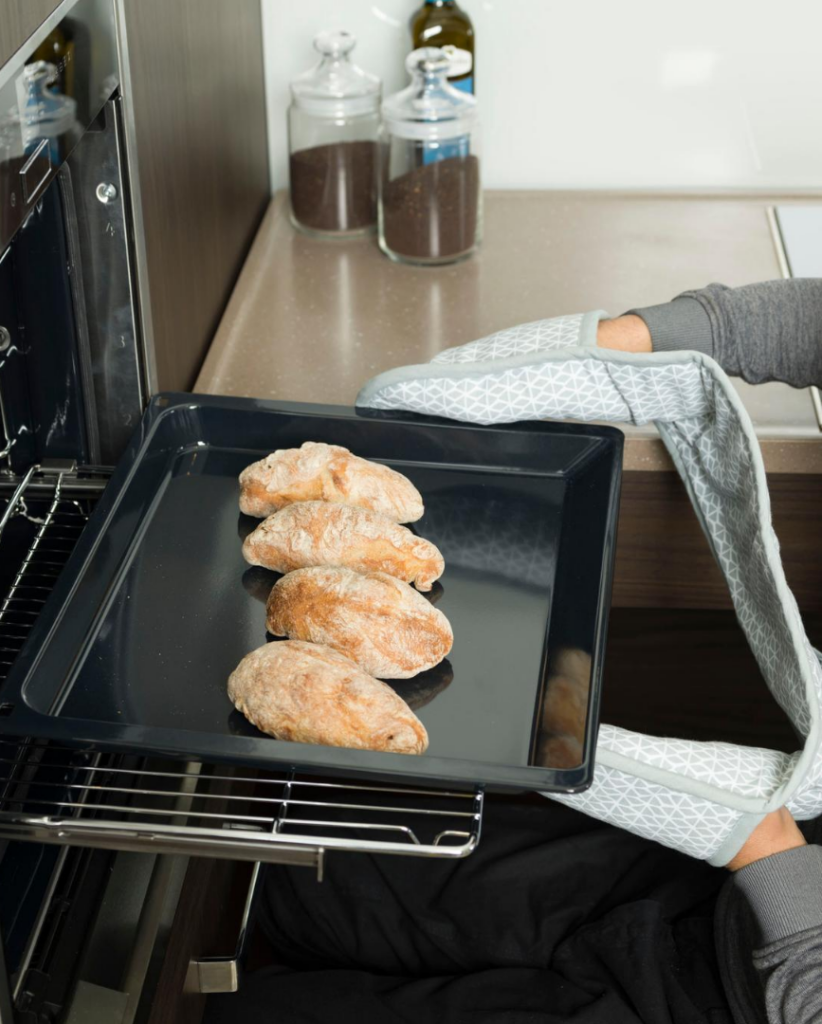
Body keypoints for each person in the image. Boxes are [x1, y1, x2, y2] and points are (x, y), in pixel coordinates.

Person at [206, 281, 822, 1024]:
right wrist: (622, 349)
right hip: (696, 878)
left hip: (738, 979)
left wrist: (764, 849)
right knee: (314, 888)